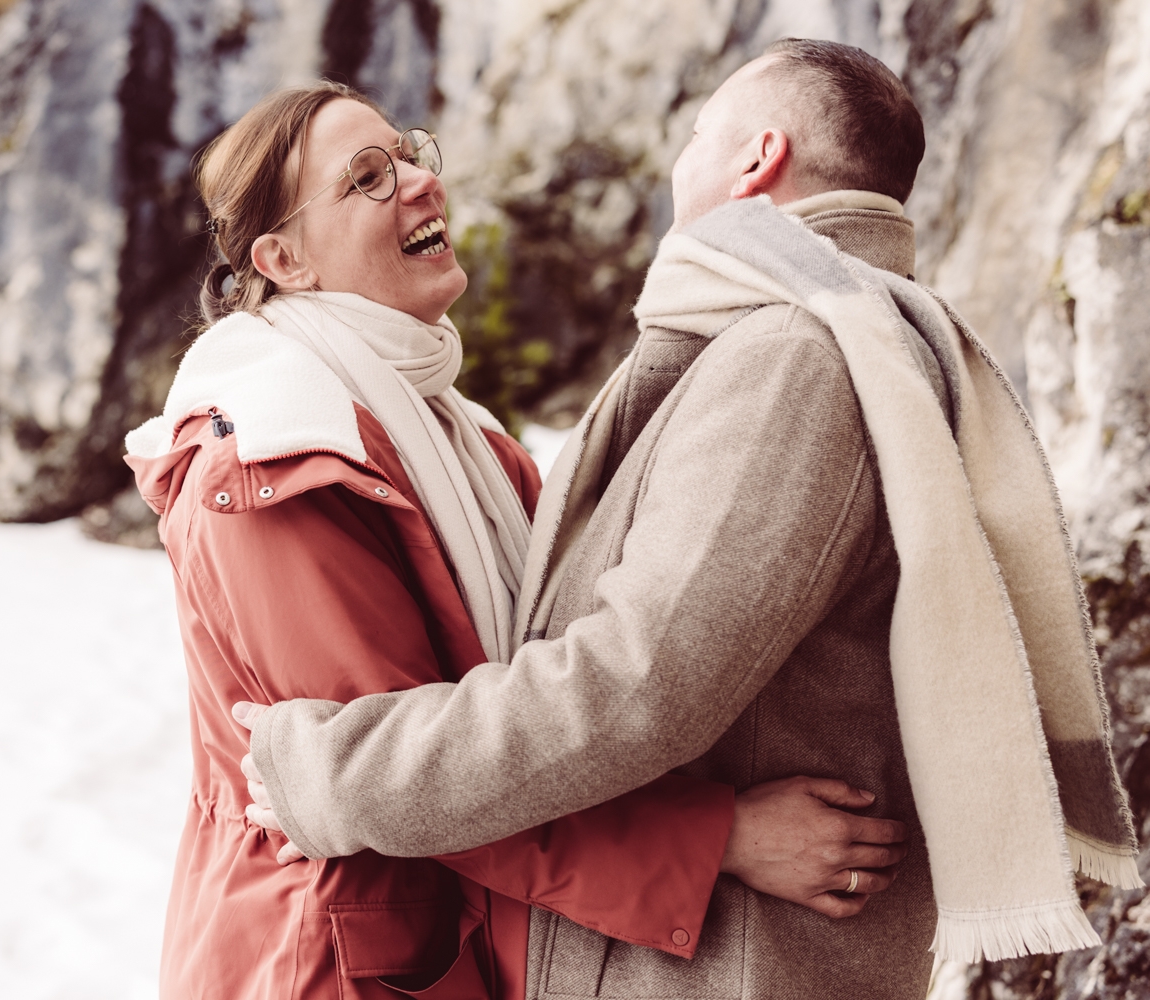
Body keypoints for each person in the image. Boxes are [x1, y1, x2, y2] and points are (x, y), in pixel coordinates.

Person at [235, 41, 1140, 1000]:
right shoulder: (818, 341)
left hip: (722, 968)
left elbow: (628, 689)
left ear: (757, 158)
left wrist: (335, 780)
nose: (680, 159)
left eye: (699, 131)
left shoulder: (791, 360)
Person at [124, 80, 911, 1000]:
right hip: (326, 960)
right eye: (367, 178)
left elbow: (503, 730)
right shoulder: (268, 464)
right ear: (284, 260)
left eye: (411, 153)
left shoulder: (467, 440)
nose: (419, 183)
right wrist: (716, 840)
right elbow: (403, 774)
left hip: (449, 942)